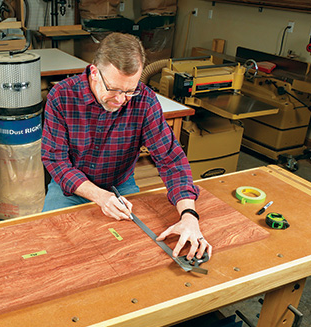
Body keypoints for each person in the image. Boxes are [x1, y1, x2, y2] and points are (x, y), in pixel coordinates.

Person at [41, 32, 212, 261]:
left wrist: (189, 216)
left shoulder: (145, 101)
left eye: (129, 90)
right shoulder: (61, 96)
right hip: (70, 189)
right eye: (113, 89)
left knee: (131, 255)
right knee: (51, 250)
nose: (121, 100)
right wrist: (99, 196)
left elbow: (171, 160)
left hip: (120, 188)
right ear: (94, 73)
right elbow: (56, 161)